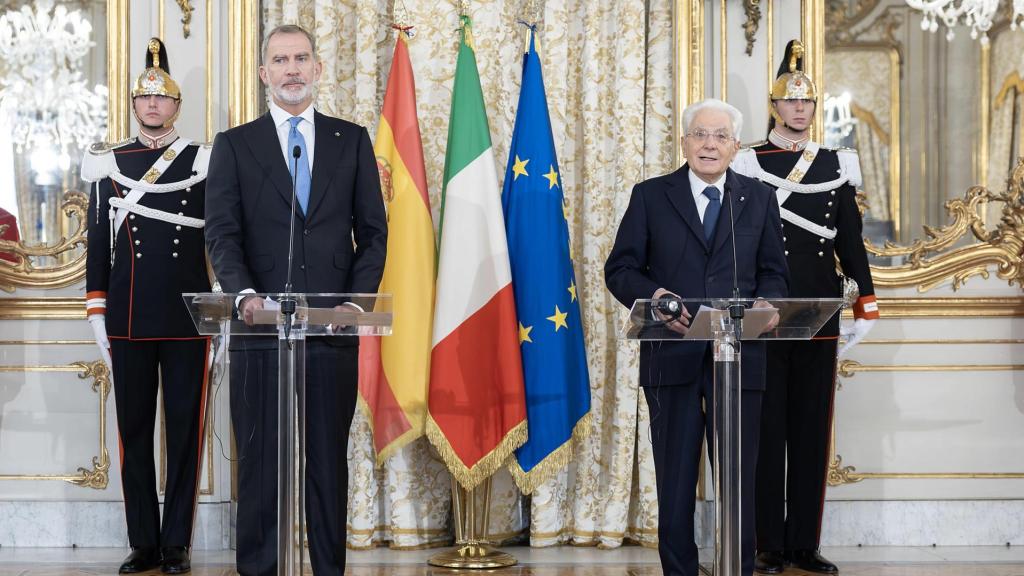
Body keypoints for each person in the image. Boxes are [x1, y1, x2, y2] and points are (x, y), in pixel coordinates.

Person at [204, 24, 387, 576]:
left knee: (326, 463)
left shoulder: (350, 140)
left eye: (301, 58)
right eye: (280, 60)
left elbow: (373, 233)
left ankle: (329, 568)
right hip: (261, 331)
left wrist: (355, 303)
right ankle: (259, 569)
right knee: (261, 463)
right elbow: (221, 233)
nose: (291, 69)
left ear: (318, 68)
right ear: (264, 73)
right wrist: (243, 296)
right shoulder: (236, 145)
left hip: (331, 331)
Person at [605, 98, 789, 576]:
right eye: (701, 135)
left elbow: (773, 272)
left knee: (739, 481)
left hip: (740, 360)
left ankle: (738, 569)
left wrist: (768, 303)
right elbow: (620, 269)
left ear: (734, 145)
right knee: (677, 478)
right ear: (684, 141)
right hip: (672, 357)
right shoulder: (651, 196)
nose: (710, 144)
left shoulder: (758, 197)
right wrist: (656, 294)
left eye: (721, 136)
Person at [731, 39, 879, 575]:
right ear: (774, 107)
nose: (799, 109)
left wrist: (866, 300)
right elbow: (739, 239)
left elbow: (851, 240)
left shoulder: (838, 163)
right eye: (790, 101)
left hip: (820, 313)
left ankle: (803, 545)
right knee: (767, 432)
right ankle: (768, 542)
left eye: (807, 102)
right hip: (766, 314)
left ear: (815, 109)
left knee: (812, 433)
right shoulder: (749, 161)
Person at [83, 38, 212, 575]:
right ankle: (143, 542)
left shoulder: (204, 161)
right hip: (130, 316)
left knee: (184, 431)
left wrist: (222, 316)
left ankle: (177, 542)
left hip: (187, 316)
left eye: (163, 99)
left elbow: (221, 240)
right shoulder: (108, 163)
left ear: (177, 106)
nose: (153, 106)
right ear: (134, 105)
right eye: (144, 98)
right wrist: (96, 312)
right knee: (134, 432)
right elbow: (98, 244)